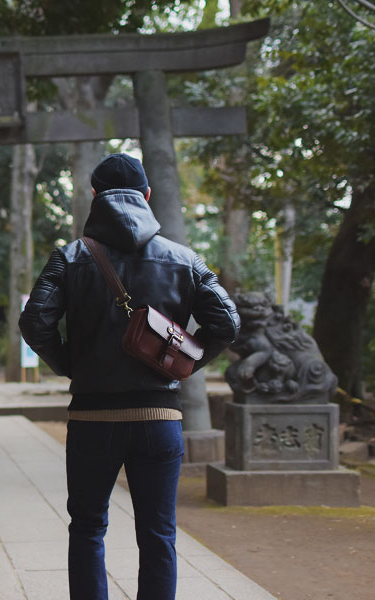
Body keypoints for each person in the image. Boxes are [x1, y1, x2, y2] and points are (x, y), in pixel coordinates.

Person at [19, 153, 240, 600]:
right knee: (158, 534)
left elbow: (34, 322)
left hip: (91, 420)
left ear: (95, 196)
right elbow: (228, 322)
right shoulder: (184, 258)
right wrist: (185, 364)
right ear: (147, 195)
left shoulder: (70, 257)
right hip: (159, 417)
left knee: (87, 528)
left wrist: (70, 365)